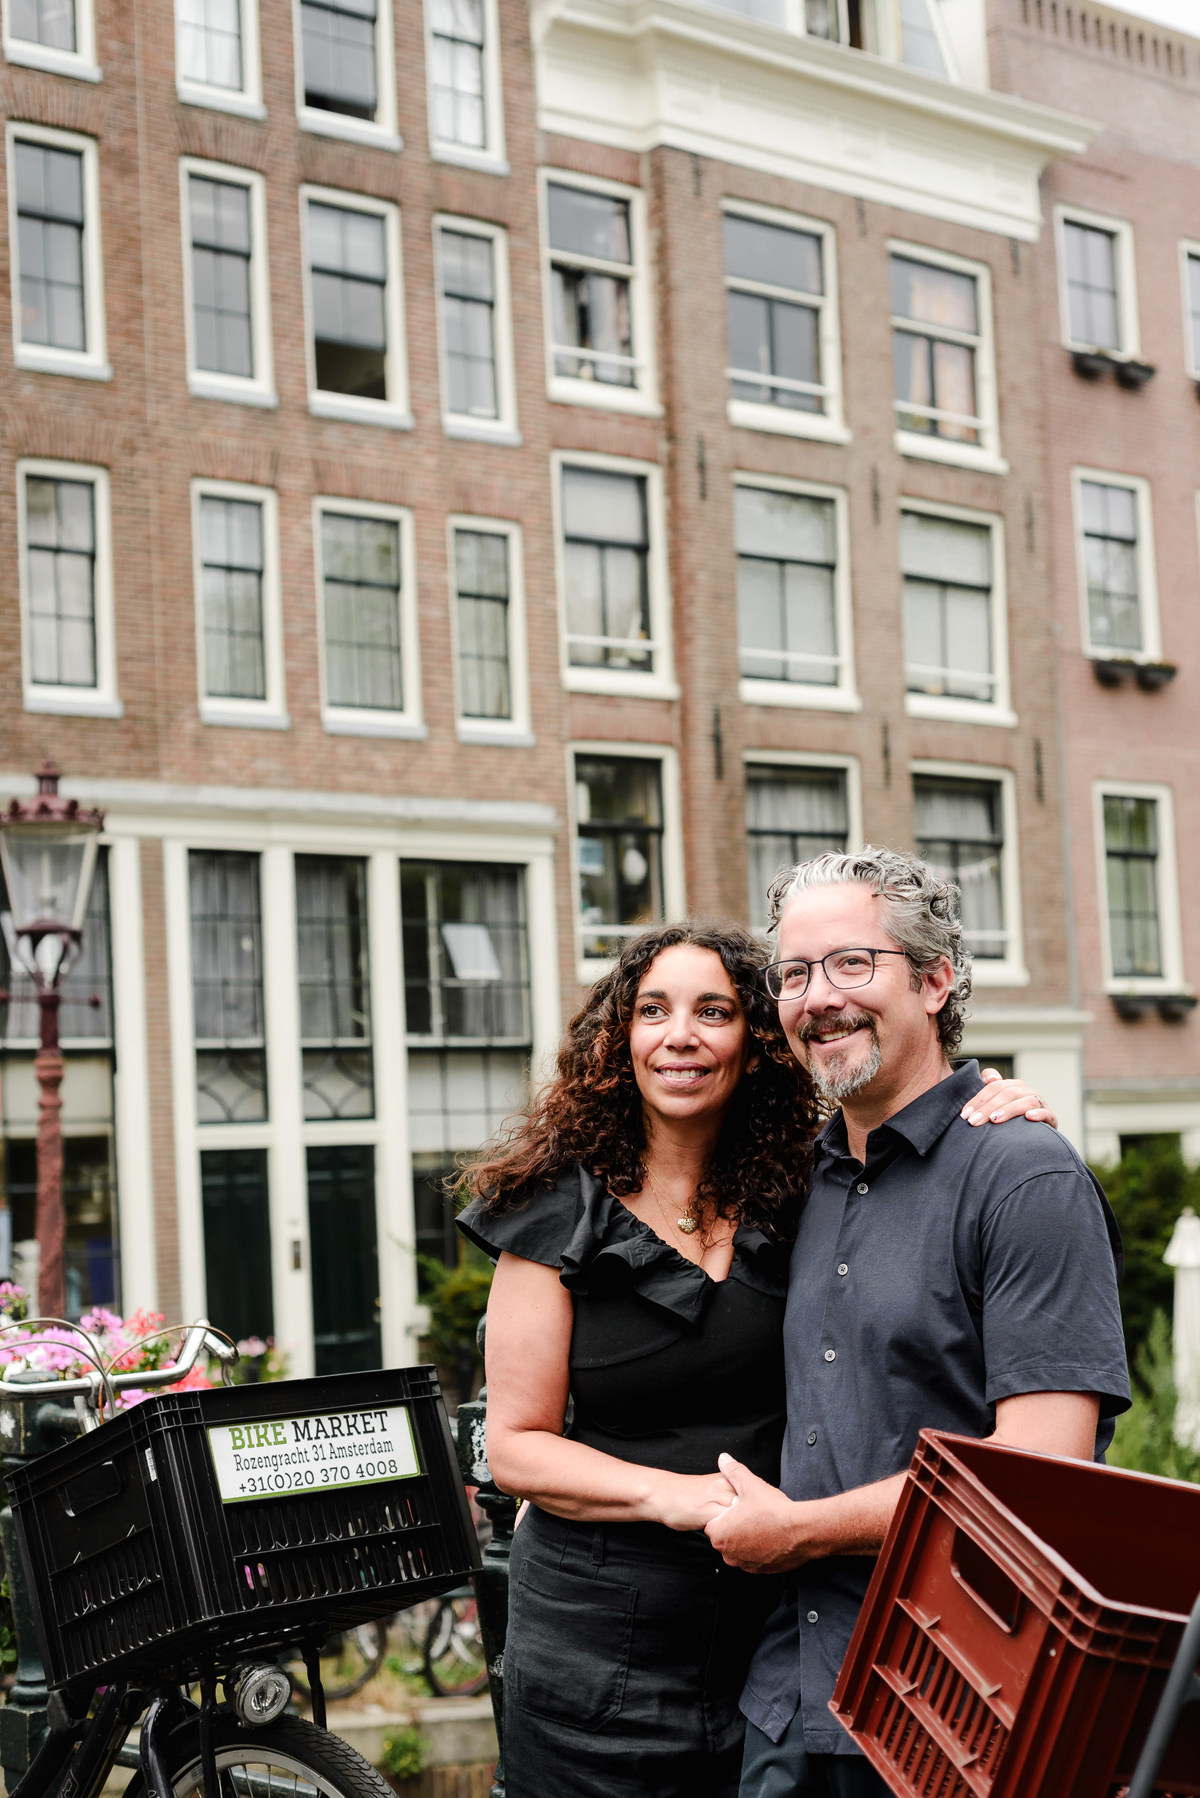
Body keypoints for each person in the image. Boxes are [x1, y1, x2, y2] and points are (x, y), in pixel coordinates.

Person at [457, 918, 1052, 1798]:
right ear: (621, 1039)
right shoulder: (554, 1206)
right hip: (595, 1645)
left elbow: (909, 1150)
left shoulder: (799, 1190)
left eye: (715, 1011)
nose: (681, 1036)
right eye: (653, 1010)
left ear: (756, 1040)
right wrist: (683, 1499)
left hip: (772, 1634)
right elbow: (515, 1446)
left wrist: (997, 1109)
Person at [701, 849, 1131, 1798]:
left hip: (956, 1712)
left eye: (853, 963)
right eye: (797, 973)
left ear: (936, 981)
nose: (820, 998)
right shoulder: (792, 1182)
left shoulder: (1023, 1177)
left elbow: (1037, 1476)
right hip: (789, 1703)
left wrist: (799, 1532)